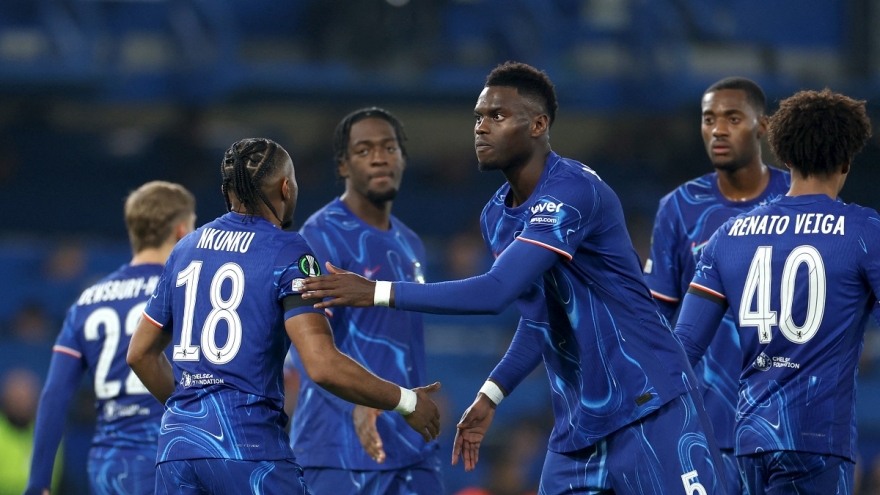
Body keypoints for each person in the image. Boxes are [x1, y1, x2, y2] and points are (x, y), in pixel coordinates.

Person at [301, 62, 728, 494]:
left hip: (649, 405)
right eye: (478, 117)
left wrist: (375, 291)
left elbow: (495, 292)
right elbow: (540, 316)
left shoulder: (573, 191)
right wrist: (492, 393)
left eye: (498, 116)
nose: (481, 128)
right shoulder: (496, 216)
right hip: (580, 427)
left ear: (539, 124)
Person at [126, 138, 441, 495]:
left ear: (226, 191)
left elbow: (140, 354)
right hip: (249, 449)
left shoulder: (185, 249)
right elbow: (321, 365)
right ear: (286, 187)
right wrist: (407, 401)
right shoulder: (288, 251)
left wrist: (192, 418)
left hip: (176, 452)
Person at [673, 88, 876, 494]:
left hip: (750, 439)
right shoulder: (863, 232)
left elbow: (684, 345)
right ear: (846, 161)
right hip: (817, 439)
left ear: (784, 159)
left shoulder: (728, 235)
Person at [643, 77, 791, 492]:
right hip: (706, 424)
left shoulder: (797, 197)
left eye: (733, 118)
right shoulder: (678, 207)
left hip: (786, 419)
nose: (718, 130)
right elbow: (657, 319)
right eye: (709, 119)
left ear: (763, 126)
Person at [285, 107, 443, 493]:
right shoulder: (320, 236)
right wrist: (354, 405)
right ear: (343, 165)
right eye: (364, 150)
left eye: (389, 148)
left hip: (411, 446)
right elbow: (307, 349)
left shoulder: (411, 242)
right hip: (339, 449)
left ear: (402, 158)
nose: (379, 158)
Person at [25, 181, 196, 495]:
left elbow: (55, 395)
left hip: (111, 466)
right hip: (177, 457)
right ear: (182, 230)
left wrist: (39, 483)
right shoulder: (189, 291)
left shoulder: (87, 301)